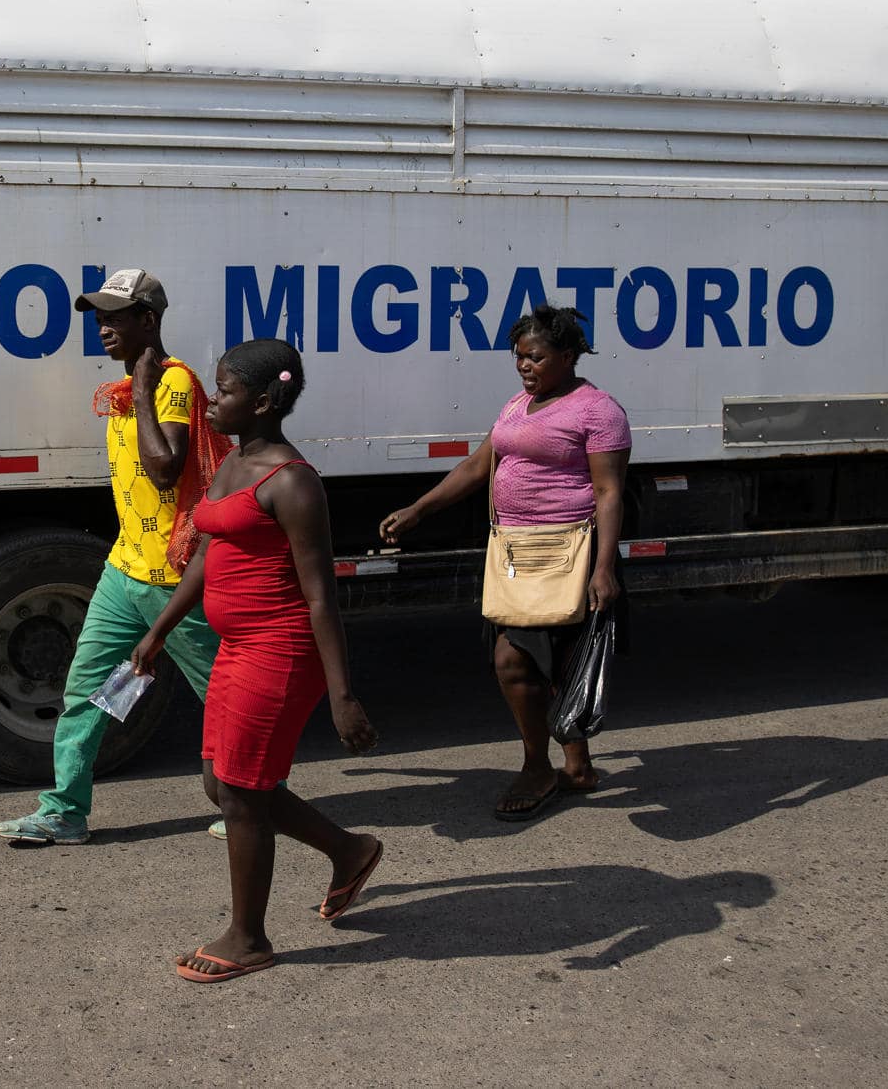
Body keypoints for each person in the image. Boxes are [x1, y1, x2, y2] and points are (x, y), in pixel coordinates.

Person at [131, 338, 382, 983]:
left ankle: (248, 938)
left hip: (280, 649)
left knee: (241, 792)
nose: (213, 401)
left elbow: (321, 595)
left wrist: (343, 693)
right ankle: (349, 850)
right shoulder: (233, 463)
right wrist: (160, 629)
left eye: (226, 391)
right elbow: (212, 555)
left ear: (265, 401)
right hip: (237, 648)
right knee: (223, 785)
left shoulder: (293, 483)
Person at [0, 268, 232, 845]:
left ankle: (250, 803)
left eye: (114, 316)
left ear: (147, 320)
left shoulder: (171, 384)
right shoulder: (131, 389)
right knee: (84, 690)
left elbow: (166, 467)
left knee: (225, 696)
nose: (102, 327)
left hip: (176, 578)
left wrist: (146, 391)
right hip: (124, 571)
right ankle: (64, 812)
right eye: (98, 317)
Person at [380, 303, 630, 821]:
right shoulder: (519, 405)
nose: (525, 366)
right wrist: (418, 510)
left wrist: (604, 568)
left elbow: (609, 492)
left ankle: (560, 767)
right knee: (514, 660)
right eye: (519, 357)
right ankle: (555, 765)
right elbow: (478, 465)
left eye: (535, 357)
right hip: (516, 554)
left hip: (572, 554)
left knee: (559, 664)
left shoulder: (598, 410)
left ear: (567, 355)